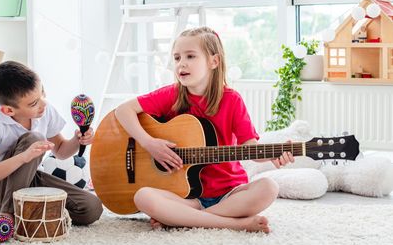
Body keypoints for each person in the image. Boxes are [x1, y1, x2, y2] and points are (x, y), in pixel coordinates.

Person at [115, 27, 294, 233]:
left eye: (190, 56)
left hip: (230, 193)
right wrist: (149, 143)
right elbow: (123, 110)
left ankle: (184, 219)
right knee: (142, 196)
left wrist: (275, 154)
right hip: (188, 197)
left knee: (269, 188)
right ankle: (234, 224)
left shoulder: (231, 99)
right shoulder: (171, 95)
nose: (181, 63)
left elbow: (250, 147)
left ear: (214, 61)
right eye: (177, 57)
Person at [0, 61, 103, 226]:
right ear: (8, 110)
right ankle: (9, 214)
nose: (43, 103)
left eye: (42, 93)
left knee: (91, 208)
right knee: (33, 139)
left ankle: (32, 212)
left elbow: (61, 151)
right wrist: (24, 157)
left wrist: (78, 140)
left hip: (30, 178)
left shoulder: (45, 110)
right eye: (34, 103)